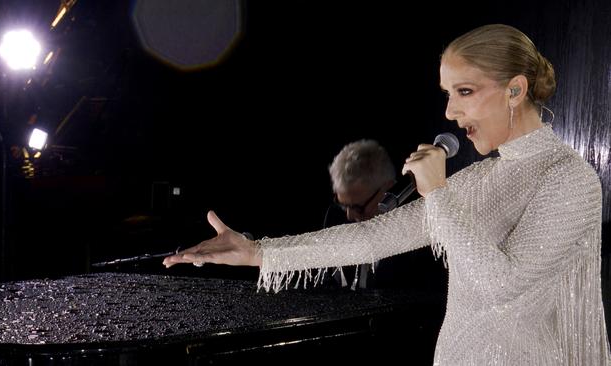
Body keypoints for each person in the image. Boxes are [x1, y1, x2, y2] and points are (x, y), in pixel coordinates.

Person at [164, 24, 611, 365]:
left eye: (465, 92)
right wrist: (257, 252)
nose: (450, 111)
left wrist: (436, 190)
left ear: (515, 89)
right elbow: (372, 238)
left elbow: (503, 286)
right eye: (447, 94)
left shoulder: (567, 179)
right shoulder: (479, 180)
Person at [325, 139, 396, 289]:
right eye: (343, 205)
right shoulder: (334, 216)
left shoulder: (417, 226)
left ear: (386, 189)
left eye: (358, 206)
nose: (349, 216)